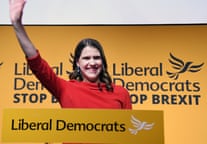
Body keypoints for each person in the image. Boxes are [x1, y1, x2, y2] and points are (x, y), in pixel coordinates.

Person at [9, 0, 132, 142]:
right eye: (86, 58)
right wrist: (17, 24)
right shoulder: (65, 88)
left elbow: (129, 137)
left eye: (96, 58)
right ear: (78, 63)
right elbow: (36, 63)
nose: (92, 62)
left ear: (103, 62)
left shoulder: (121, 93)